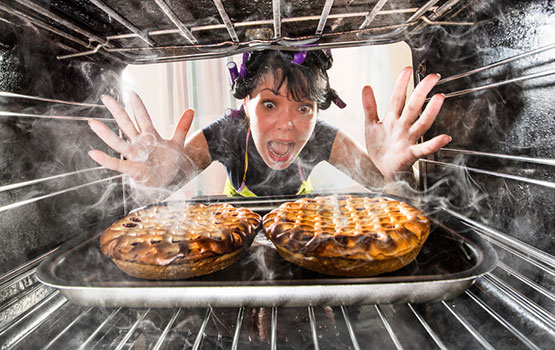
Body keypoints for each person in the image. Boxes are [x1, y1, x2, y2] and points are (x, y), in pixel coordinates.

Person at [88, 49, 450, 198]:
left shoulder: (323, 138)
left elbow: (388, 188)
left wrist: (396, 173)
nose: (287, 125)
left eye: (304, 108)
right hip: (238, 247)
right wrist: (158, 181)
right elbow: (169, 177)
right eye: (269, 104)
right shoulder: (227, 134)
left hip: (303, 243)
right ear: (245, 104)